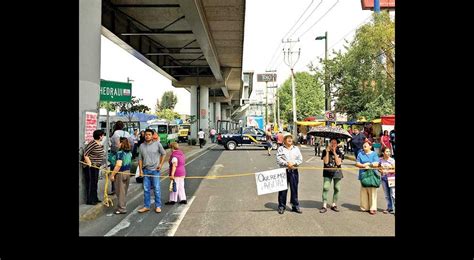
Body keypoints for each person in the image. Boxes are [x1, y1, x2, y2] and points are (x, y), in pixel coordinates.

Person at [137, 129, 167, 213]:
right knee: (146, 189)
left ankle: (158, 206)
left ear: (152, 135)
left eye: (149, 134)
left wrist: (160, 164)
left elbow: (164, 153)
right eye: (146, 134)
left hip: (155, 171)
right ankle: (147, 206)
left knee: (156, 189)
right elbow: (140, 159)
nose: (147, 136)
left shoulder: (158, 144)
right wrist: (140, 171)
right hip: (145, 170)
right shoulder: (141, 146)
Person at [276, 134, 303, 214]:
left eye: (290, 138)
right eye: (287, 138)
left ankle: (295, 205)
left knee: (294, 189)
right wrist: (286, 164)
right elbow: (278, 159)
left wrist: (293, 163)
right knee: (282, 189)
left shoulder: (296, 149)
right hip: (283, 171)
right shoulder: (281, 149)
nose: (289, 139)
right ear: (284, 140)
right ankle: (281, 206)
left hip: (294, 171)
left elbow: (300, 159)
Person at [355, 141, 380, 215]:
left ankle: (372, 208)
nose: (364, 145)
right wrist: (363, 166)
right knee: (364, 191)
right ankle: (364, 207)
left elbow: (377, 163)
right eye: (363, 145)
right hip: (363, 174)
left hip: (372, 174)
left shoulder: (374, 154)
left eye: (366, 145)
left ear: (370, 146)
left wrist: (369, 164)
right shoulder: (360, 153)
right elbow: (357, 163)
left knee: (372, 191)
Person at [319, 138, 343, 213]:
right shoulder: (324, 151)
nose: (333, 144)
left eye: (335, 143)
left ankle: (334, 204)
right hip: (327, 172)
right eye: (332, 142)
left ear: (337, 144)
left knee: (337, 188)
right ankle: (324, 205)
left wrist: (335, 152)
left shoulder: (340, 152)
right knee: (325, 187)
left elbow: (338, 163)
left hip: (337, 172)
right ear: (329, 143)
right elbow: (325, 162)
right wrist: (327, 152)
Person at [110, 138, 132, 214]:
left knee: (119, 191)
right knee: (123, 191)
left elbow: (118, 165)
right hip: (127, 172)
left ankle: (121, 208)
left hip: (120, 173)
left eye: (118, 142)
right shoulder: (129, 152)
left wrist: (112, 175)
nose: (117, 144)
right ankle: (121, 206)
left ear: (122, 143)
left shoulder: (120, 153)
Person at [83, 130, 106, 205]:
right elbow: (86, 154)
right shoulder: (92, 143)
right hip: (91, 167)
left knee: (95, 182)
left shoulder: (99, 144)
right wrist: (89, 163)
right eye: (102, 135)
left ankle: (95, 198)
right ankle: (90, 200)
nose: (103, 137)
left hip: (97, 166)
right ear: (100, 136)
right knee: (91, 183)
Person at [379, 147, 395, 214]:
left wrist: (387, 171)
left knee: (393, 194)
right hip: (383, 179)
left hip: (391, 178)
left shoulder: (392, 160)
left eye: (389, 151)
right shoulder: (380, 160)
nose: (388, 153)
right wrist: (380, 170)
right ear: (383, 153)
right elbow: (379, 168)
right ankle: (389, 208)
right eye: (387, 151)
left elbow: (394, 170)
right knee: (386, 195)